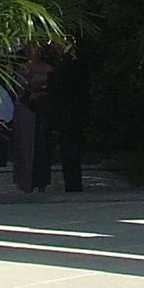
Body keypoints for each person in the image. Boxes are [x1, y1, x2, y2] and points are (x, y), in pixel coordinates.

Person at [47, 42, 90, 194]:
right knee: (71, 149)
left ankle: (73, 183)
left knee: (70, 149)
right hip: (71, 112)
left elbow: (61, 84)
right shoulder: (68, 60)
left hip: (69, 112)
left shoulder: (71, 61)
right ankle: (72, 182)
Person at [10, 44, 53, 194]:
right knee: (25, 145)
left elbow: (53, 87)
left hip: (43, 110)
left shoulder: (49, 68)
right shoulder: (23, 68)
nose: (38, 52)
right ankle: (25, 181)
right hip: (26, 109)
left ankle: (41, 181)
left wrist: (42, 91)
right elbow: (20, 87)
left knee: (42, 145)